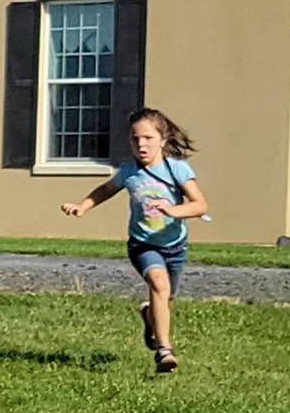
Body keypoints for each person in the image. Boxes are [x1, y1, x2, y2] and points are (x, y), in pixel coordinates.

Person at [61, 108, 207, 375]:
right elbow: (105, 189)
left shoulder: (178, 169)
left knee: (165, 299)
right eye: (135, 138)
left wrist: (173, 210)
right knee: (159, 285)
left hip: (174, 246)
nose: (141, 144)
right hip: (143, 245)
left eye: (148, 138)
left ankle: (149, 317)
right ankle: (165, 352)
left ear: (162, 140)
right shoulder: (129, 172)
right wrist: (83, 206)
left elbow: (199, 205)